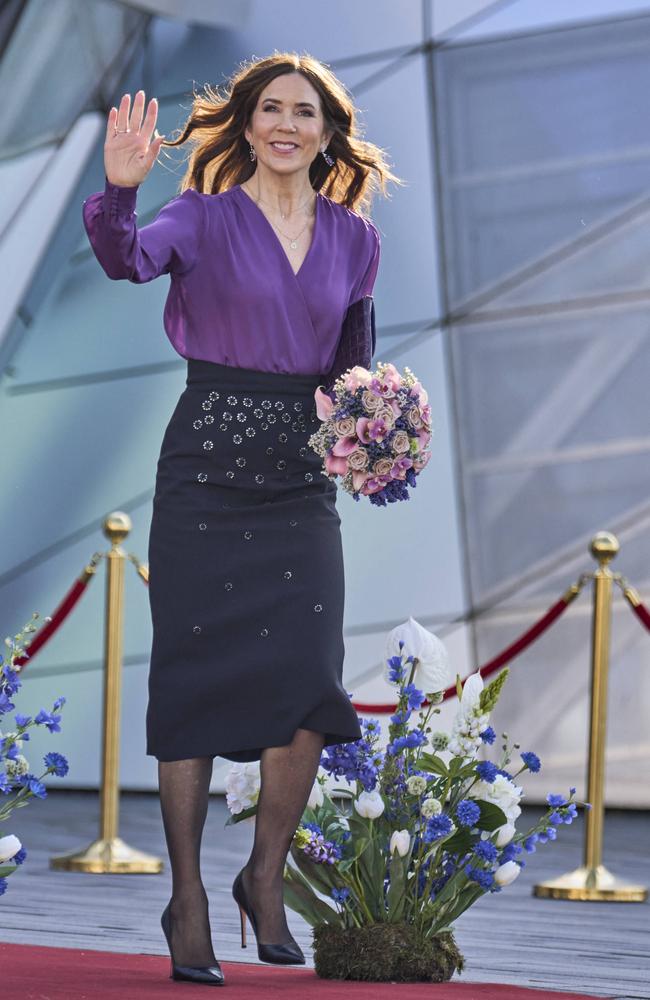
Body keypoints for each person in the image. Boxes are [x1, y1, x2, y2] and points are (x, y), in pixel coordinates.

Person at [82, 51, 399, 986]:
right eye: (271, 109)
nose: (287, 125)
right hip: (205, 473)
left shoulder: (356, 239)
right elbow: (124, 260)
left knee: (309, 679)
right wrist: (118, 190)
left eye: (306, 112)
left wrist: (377, 434)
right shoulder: (203, 216)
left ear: (329, 132)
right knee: (191, 682)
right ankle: (186, 900)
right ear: (248, 124)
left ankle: (263, 875)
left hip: (300, 481)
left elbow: (355, 365)